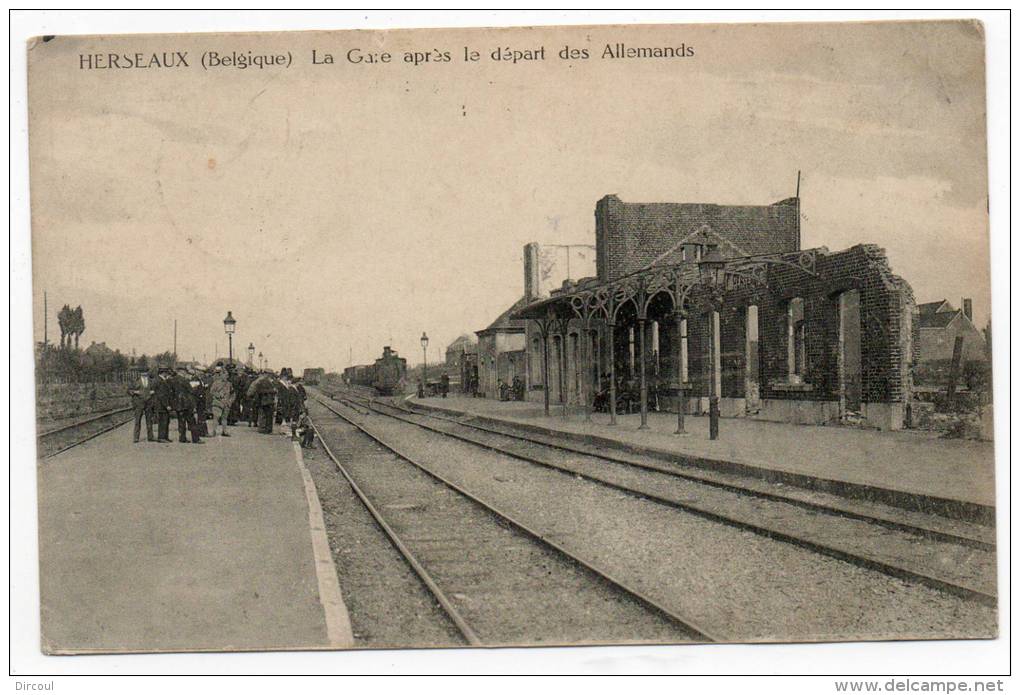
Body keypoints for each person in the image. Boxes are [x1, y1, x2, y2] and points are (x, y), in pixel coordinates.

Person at [172, 366, 202, 443]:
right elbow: (191, 390)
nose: (185, 373)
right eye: (185, 372)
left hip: (178, 404)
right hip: (186, 403)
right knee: (191, 421)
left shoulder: (173, 380)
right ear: (182, 372)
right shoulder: (184, 380)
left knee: (181, 422)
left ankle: (182, 438)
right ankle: (196, 439)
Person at [128, 370, 156, 443]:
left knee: (149, 420)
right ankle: (136, 438)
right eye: (142, 372)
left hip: (149, 402)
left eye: (146, 372)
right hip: (138, 403)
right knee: (137, 420)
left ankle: (150, 437)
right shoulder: (135, 381)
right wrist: (135, 392)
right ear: (140, 373)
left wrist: (153, 392)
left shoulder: (151, 381)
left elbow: (155, 389)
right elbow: (129, 390)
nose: (144, 373)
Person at [208, 366, 234, 437]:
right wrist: (218, 395)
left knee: (224, 418)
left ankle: (224, 431)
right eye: (225, 375)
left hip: (226, 403)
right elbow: (211, 391)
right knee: (216, 418)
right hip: (217, 402)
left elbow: (233, 393)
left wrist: (230, 401)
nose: (226, 376)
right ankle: (213, 431)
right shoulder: (216, 383)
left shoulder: (229, 384)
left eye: (227, 375)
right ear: (221, 375)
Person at [154, 367, 175, 443]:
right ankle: (161, 437)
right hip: (161, 405)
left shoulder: (162, 380)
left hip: (163, 404)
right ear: (163, 373)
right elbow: (161, 395)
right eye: (166, 372)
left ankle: (165, 437)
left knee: (166, 421)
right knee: (163, 421)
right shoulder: (160, 381)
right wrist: (167, 405)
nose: (167, 374)